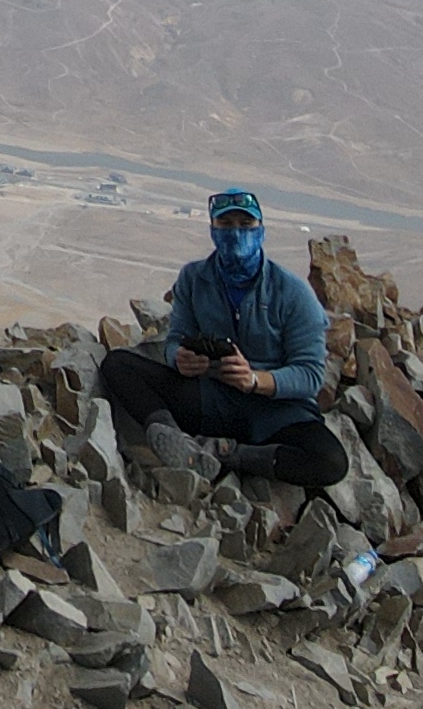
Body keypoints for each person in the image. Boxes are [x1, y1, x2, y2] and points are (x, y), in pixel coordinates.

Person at [95, 185, 348, 494]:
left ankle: (227, 455)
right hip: (211, 398)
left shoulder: (293, 293)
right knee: (119, 364)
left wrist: (255, 379)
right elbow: (176, 337)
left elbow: (310, 376)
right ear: (213, 230)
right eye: (226, 225)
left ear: (261, 230)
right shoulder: (194, 279)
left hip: (277, 413)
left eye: (246, 225)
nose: (236, 234)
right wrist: (179, 358)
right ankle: (176, 441)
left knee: (331, 462)